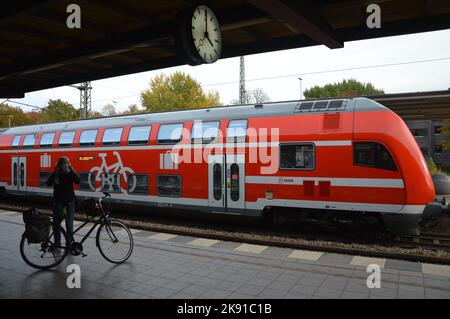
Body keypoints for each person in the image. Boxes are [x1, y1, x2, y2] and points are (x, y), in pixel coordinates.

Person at [46, 156, 80, 246]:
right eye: (64, 164)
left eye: (67, 164)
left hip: (69, 202)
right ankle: (57, 243)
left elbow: (77, 181)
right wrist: (55, 172)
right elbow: (48, 183)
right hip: (58, 203)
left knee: (69, 225)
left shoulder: (70, 173)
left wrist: (71, 170)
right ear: (60, 165)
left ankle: (69, 244)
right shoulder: (57, 174)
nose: (66, 165)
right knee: (56, 225)